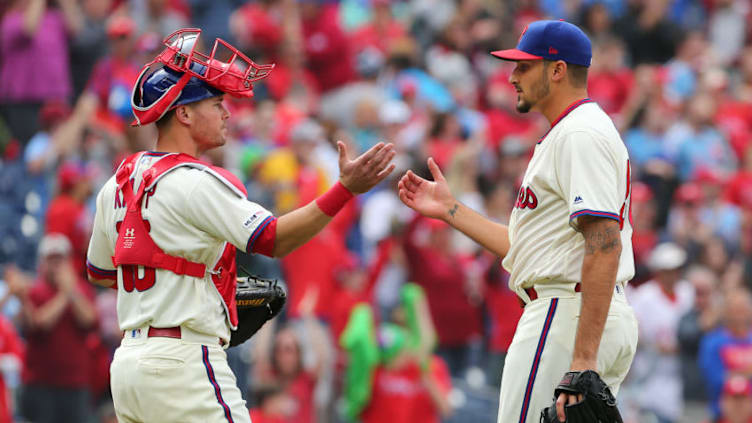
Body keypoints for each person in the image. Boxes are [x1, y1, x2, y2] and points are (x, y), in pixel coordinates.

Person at [85, 28, 395, 423]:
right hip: (184, 362)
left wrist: (181, 286)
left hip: (129, 365)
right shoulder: (196, 180)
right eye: (216, 103)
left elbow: (100, 271)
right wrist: (345, 190)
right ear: (183, 113)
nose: (226, 113)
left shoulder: (116, 184)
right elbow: (274, 239)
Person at [398, 20, 639, 423]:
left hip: (566, 313)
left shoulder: (579, 134)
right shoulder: (573, 132)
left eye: (524, 66)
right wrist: (451, 210)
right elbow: (529, 250)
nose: (511, 77)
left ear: (557, 70)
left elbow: (604, 242)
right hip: (580, 309)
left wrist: (581, 359)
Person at [19, 233, 98, 423]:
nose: (56, 265)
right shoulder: (34, 291)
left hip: (75, 382)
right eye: (51, 259)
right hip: (41, 383)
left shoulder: (82, 290)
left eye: (60, 259)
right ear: (42, 263)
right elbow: (40, 324)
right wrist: (65, 294)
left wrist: (71, 292)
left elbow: (91, 320)